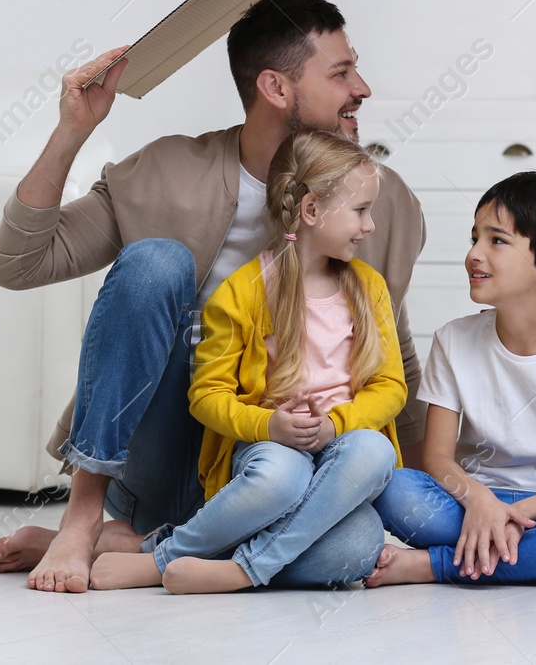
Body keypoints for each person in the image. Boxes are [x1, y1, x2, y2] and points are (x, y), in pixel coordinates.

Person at [0, 0, 426, 593]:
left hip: (290, 464)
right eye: (341, 72)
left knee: (351, 551)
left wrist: (440, 498)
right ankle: (84, 520)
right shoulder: (163, 171)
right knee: (154, 263)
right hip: (173, 452)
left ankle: (151, 548)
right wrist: (72, 130)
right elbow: (16, 262)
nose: (363, 89)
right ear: (276, 88)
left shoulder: (380, 200)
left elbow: (390, 355)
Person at [90, 129, 404, 592]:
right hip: (269, 451)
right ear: (312, 209)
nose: (370, 225)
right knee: (283, 475)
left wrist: (336, 426)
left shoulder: (369, 288)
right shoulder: (242, 291)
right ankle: (175, 558)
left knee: (360, 537)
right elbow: (206, 397)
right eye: (360, 211)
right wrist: (270, 427)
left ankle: (228, 566)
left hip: (342, 454)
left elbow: (390, 387)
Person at [366, 171, 536, 588]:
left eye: (496, 240)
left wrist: (518, 517)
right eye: (474, 238)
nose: (475, 254)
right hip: (470, 504)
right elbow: (436, 458)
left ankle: (435, 566)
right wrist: (481, 501)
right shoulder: (453, 339)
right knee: (393, 487)